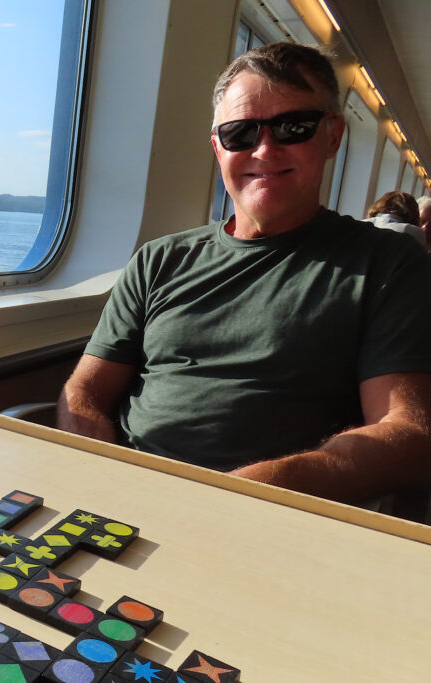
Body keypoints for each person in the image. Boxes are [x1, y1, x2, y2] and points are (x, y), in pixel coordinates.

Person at [57, 42, 431, 503]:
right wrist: (91, 472)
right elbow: (87, 391)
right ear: (218, 148)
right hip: (127, 495)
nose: (265, 149)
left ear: (332, 136)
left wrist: (234, 495)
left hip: (273, 511)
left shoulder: (386, 263)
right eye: (240, 134)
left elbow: (407, 431)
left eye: (293, 126)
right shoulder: (158, 260)